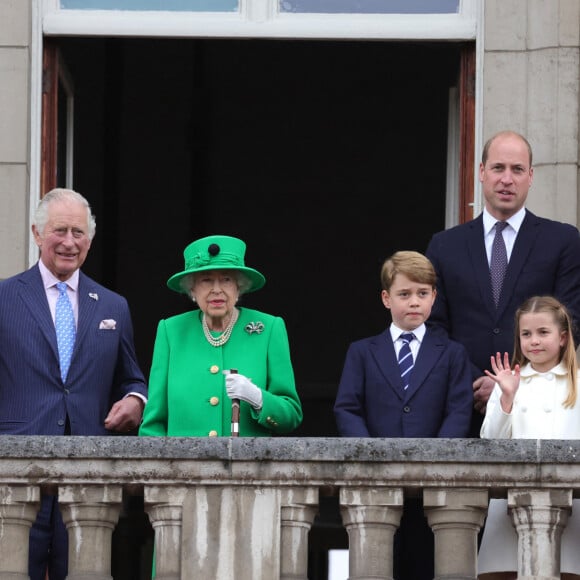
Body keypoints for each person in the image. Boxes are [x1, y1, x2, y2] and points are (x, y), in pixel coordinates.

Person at [0, 188, 148, 580]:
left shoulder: (114, 306)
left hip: (88, 474)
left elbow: (131, 378)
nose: (69, 242)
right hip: (15, 473)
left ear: (90, 239)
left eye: (78, 233)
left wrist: (136, 400)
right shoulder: (3, 297)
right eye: (59, 230)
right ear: (36, 233)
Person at [426, 130, 580, 437]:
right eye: (498, 168)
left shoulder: (563, 241)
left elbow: (572, 320)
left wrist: (514, 383)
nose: (507, 179)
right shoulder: (444, 246)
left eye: (517, 169)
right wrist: (475, 381)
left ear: (531, 176)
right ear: (482, 172)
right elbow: (432, 327)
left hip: (537, 413)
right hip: (460, 408)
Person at [334, 250, 473, 580]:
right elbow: (347, 407)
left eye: (423, 294)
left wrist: (436, 460)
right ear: (386, 298)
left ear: (434, 297)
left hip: (431, 487)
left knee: (427, 564)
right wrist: (370, 455)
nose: (414, 302)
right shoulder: (362, 351)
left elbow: (459, 409)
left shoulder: (453, 353)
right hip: (377, 483)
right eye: (405, 294)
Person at [139, 234, 302, 438]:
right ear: (192, 288)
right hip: (183, 467)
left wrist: (258, 398)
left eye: (226, 279)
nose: (217, 290)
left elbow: (291, 415)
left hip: (248, 466)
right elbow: (152, 425)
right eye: (206, 280)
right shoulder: (170, 331)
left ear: (239, 286)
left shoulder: (269, 328)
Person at [478, 296, 580, 580]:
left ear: (562, 338)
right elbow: (490, 445)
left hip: (571, 507)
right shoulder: (508, 381)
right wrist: (507, 399)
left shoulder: (578, 382)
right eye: (526, 334)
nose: (534, 340)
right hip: (512, 505)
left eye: (542, 332)